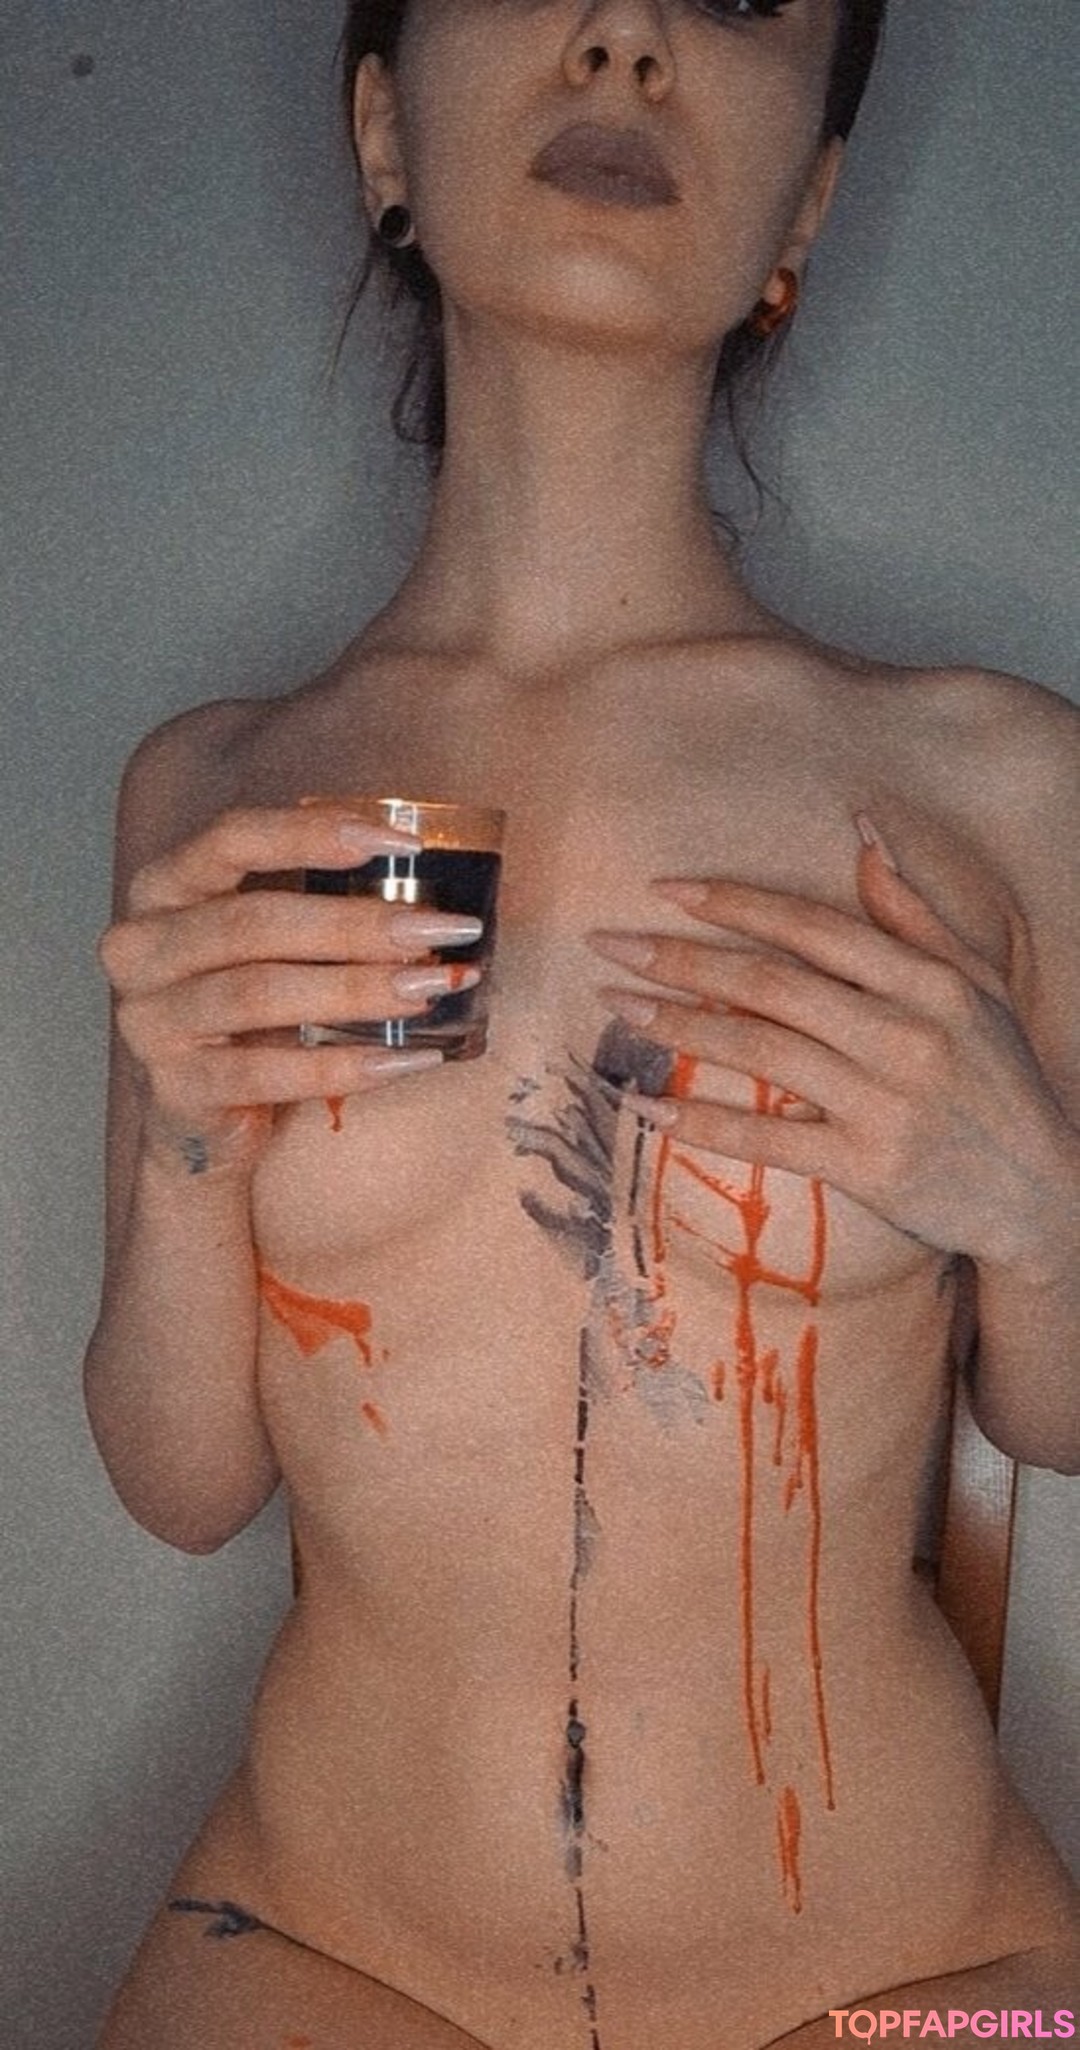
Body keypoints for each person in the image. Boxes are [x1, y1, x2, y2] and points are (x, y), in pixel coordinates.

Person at [87, 2, 1080, 2045]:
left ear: (805, 204)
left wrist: (1042, 1216)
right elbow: (187, 1485)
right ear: (382, 131)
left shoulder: (992, 783)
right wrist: (186, 1145)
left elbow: (1062, 1419)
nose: (627, 35)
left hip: (921, 1988)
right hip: (322, 1953)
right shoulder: (221, 789)